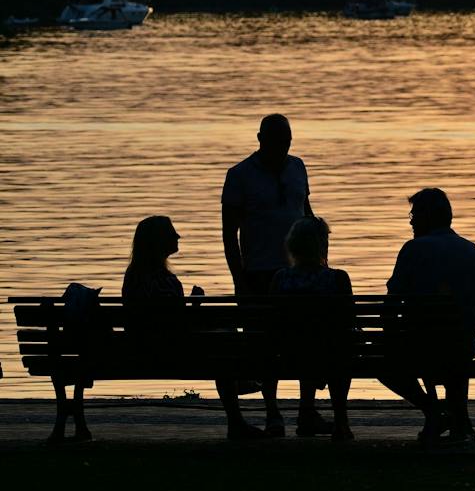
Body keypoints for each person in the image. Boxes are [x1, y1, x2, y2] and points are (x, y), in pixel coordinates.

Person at [122, 215, 264, 440]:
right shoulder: (162, 279)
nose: (178, 236)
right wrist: (195, 305)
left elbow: (164, 320)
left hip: (141, 349)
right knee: (224, 344)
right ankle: (237, 400)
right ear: (158, 241)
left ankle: (239, 385)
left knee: (223, 330)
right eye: (171, 233)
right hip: (167, 352)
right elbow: (175, 325)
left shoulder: (134, 276)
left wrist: (190, 308)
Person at [221, 113, 312, 434]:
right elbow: (229, 234)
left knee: (307, 342)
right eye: (275, 141)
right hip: (259, 272)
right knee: (265, 347)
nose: (281, 148)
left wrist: (319, 261)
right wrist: (239, 279)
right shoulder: (240, 176)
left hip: (301, 272)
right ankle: (273, 411)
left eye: (286, 141)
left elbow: (307, 215)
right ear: (260, 140)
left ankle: (307, 410)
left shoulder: (298, 167)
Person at [379, 188, 475, 443]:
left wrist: (391, 329)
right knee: (451, 344)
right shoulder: (472, 249)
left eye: (415, 214)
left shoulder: (414, 249)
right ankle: (459, 423)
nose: (411, 220)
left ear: (428, 216)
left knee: (383, 359)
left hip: (423, 343)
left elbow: (392, 302)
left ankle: (434, 411)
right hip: (464, 343)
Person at [269, 216, 355, 442]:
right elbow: (349, 322)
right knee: (338, 346)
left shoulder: (280, 279)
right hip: (330, 354)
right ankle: (341, 422)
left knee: (305, 342)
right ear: (321, 245)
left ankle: (304, 415)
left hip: (287, 356)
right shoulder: (337, 279)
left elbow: (273, 324)